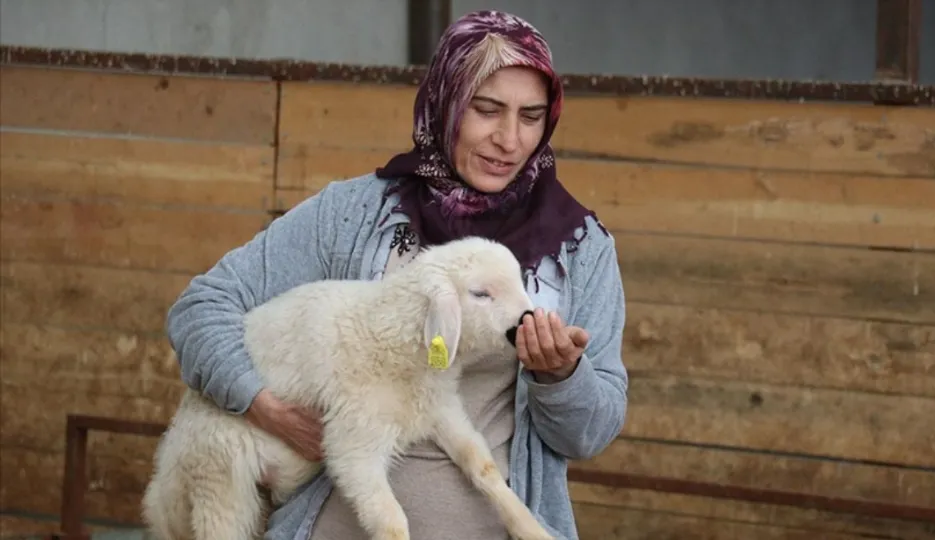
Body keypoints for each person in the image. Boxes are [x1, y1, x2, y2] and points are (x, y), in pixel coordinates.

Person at [165, 9, 628, 540]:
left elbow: (590, 431)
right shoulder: (355, 212)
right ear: (446, 101)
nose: (509, 139)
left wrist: (561, 377)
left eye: (531, 116)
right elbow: (201, 307)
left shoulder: (578, 247)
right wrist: (261, 405)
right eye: (486, 109)